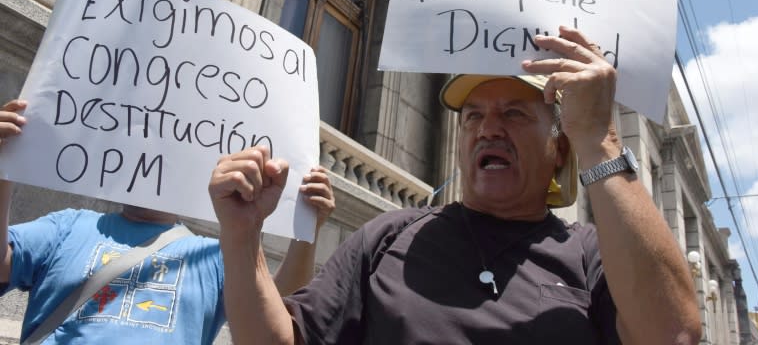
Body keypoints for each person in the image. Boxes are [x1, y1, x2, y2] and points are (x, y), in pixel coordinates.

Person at [208, 26, 702, 344]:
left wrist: (600, 140)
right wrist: (242, 237)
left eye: (512, 113)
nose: (488, 128)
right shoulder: (386, 239)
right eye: (473, 116)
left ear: (560, 150)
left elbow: (673, 334)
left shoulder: (594, 256)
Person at [0, 99, 335, 344]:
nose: (145, 158)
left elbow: (277, 317)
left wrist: (306, 230)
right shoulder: (67, 227)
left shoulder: (218, 254)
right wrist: (2, 171)